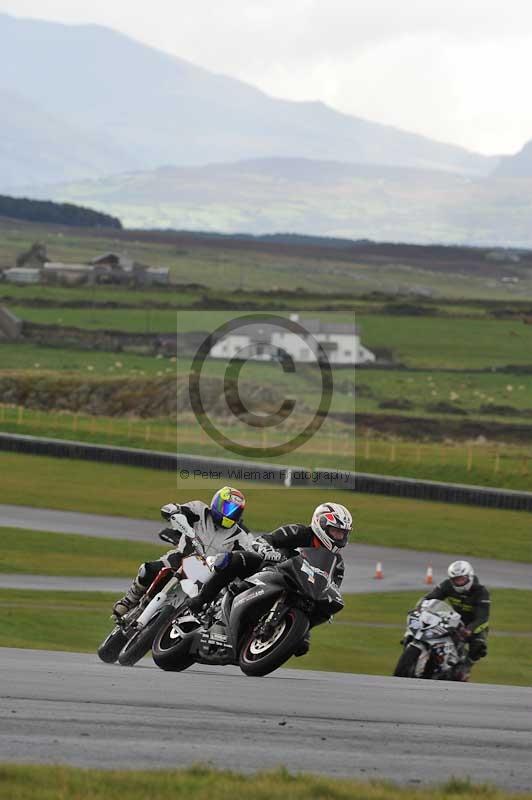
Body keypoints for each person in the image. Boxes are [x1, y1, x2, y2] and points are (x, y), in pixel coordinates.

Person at [187, 502, 353, 654]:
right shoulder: (299, 532)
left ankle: (268, 634)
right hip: (268, 568)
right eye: (335, 531)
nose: (339, 536)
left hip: (298, 592)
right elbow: (266, 539)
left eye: (342, 533)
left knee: (302, 645)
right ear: (321, 524)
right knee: (234, 560)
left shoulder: (337, 564)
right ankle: (201, 600)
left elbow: (331, 586)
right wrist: (267, 550)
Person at [112, 486, 250, 618]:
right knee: (147, 570)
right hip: (183, 557)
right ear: (216, 503)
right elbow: (176, 509)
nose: (230, 514)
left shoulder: (240, 536)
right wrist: (174, 511)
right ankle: (130, 599)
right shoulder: (199, 509)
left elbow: (245, 559)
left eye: (235, 511)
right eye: (227, 508)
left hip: (209, 575)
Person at [420, 560, 490, 679]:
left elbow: (483, 617)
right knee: (430, 632)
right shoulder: (447, 585)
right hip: (453, 619)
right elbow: (431, 597)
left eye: (462, 579)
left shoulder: (481, 592)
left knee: (479, 646)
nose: (459, 582)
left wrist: (469, 630)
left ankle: (466, 666)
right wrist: (420, 606)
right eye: (455, 579)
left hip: (474, 624)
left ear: (470, 576)